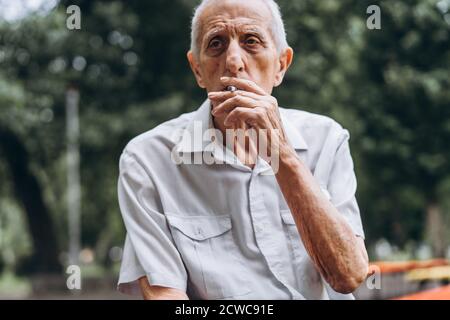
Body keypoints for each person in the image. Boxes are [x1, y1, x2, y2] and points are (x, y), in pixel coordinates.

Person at [117, 0, 369, 300]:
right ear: (197, 69)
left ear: (281, 65)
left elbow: (349, 275)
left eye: (251, 41)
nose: (233, 61)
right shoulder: (148, 159)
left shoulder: (327, 140)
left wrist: (281, 153)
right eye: (216, 44)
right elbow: (165, 296)